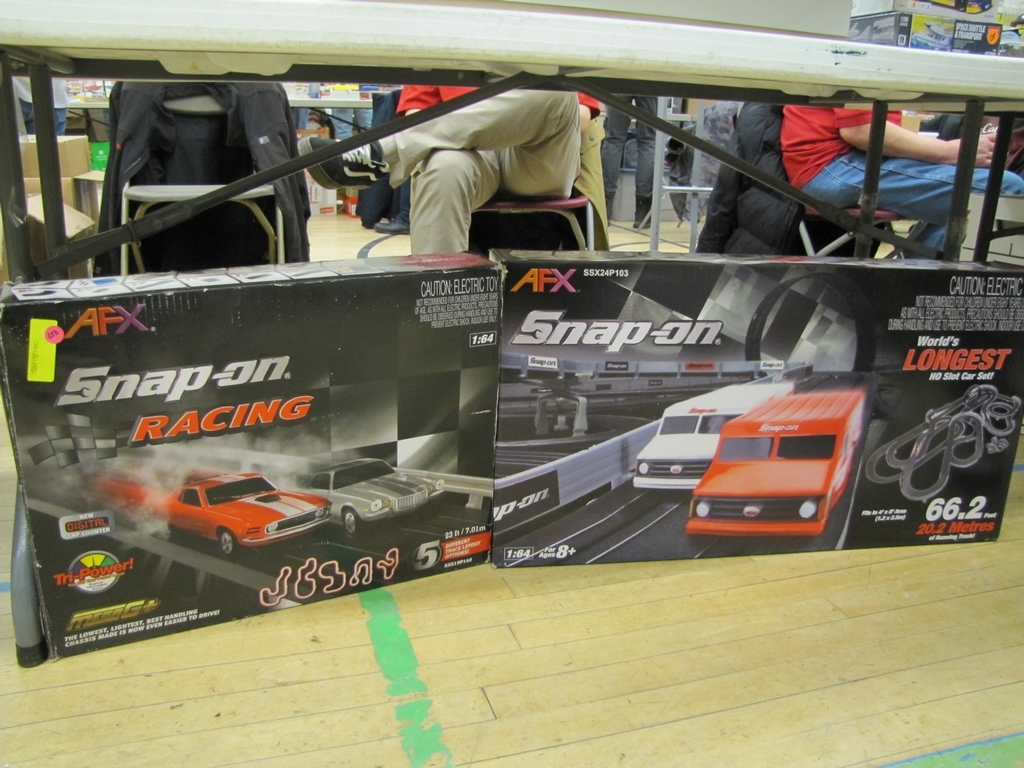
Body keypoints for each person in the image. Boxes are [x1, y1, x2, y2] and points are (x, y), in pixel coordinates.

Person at [299, 86, 608, 254]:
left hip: (537, 158)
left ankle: (382, 154)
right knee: (443, 167)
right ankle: (438, 308)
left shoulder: (547, 31)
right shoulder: (442, 42)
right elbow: (416, 116)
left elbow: (581, 118)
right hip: (469, 156)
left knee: (557, 91)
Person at [781, 105, 1024, 255]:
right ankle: (920, 290)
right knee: (1005, 188)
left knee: (966, 202)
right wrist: (954, 152)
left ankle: (917, 289)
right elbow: (860, 130)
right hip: (835, 165)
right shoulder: (865, 49)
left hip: (833, 164)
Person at [600, 95, 656, 228]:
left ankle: (604, 207)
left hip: (620, 83)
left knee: (614, 139)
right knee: (647, 140)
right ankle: (642, 214)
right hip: (650, 83)